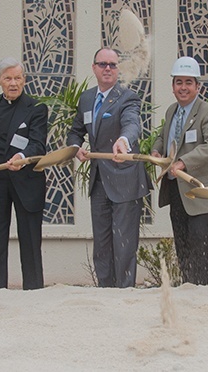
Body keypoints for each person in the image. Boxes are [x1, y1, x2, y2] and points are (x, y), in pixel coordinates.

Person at [66, 48, 151, 288]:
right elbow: (75, 131)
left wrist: (124, 141)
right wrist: (75, 147)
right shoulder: (86, 99)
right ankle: (104, 293)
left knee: (123, 245)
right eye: (102, 64)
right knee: (102, 246)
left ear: (118, 70)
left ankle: (124, 294)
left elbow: (132, 123)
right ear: (93, 67)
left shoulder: (128, 97)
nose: (107, 69)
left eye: (113, 65)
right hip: (99, 181)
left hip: (125, 180)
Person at [0, 57, 47, 290]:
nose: (13, 83)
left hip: (26, 181)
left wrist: (22, 158)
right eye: (8, 79)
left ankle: (33, 291)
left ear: (24, 80)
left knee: (30, 241)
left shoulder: (36, 107)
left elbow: (38, 144)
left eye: (18, 78)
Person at [151, 57, 208, 285]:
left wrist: (183, 162)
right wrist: (155, 150)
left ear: (197, 86)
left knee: (199, 242)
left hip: (199, 190)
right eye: (178, 82)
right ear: (173, 86)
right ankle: (187, 285)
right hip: (175, 188)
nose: (183, 87)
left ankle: (200, 287)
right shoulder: (172, 111)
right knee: (181, 242)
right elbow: (165, 137)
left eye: (188, 83)